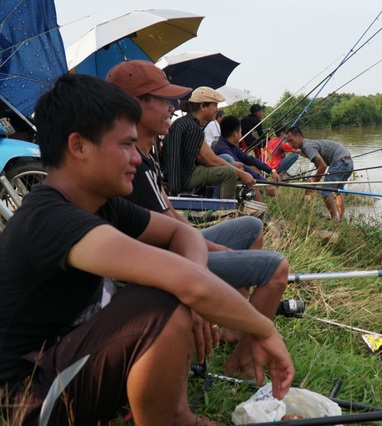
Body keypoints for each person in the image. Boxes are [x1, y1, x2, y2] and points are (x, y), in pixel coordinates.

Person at [0, 73, 294, 425]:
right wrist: (264, 329)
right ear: (78, 146)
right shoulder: (52, 218)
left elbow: (182, 237)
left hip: (64, 369)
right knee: (165, 303)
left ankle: (175, 414)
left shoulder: (100, 202)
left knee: (174, 291)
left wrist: (193, 282)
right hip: (28, 402)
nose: (136, 158)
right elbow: (186, 281)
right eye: (125, 145)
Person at [106, 59, 290, 350]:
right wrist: (207, 257)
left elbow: (169, 214)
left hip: (176, 247)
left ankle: (231, 328)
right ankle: (244, 358)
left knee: (252, 226)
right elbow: (161, 236)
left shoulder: (146, 153)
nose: (172, 106)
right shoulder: (129, 163)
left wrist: (207, 244)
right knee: (275, 264)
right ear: (134, 104)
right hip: (164, 262)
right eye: (164, 99)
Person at [162, 86, 255, 197]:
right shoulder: (193, 128)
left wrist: (231, 164)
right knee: (229, 173)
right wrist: (241, 174)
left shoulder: (185, 123)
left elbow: (200, 158)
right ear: (203, 106)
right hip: (181, 178)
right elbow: (210, 160)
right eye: (215, 105)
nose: (217, 110)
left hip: (175, 174)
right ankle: (226, 211)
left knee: (226, 160)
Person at [285, 126, 354, 220]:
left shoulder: (307, 146)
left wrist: (312, 185)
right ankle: (340, 220)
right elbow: (319, 166)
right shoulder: (308, 145)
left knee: (324, 192)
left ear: (299, 136)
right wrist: (313, 182)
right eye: (288, 141)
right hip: (348, 162)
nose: (290, 144)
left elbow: (323, 166)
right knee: (337, 191)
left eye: (291, 140)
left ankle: (334, 219)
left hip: (340, 163)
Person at [214, 115, 280, 201]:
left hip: (230, 178)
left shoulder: (229, 145)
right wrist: (265, 183)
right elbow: (242, 168)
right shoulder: (223, 149)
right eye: (240, 132)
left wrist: (271, 170)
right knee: (251, 178)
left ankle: (258, 208)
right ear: (234, 134)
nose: (241, 134)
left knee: (253, 168)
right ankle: (260, 211)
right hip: (219, 186)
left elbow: (249, 159)